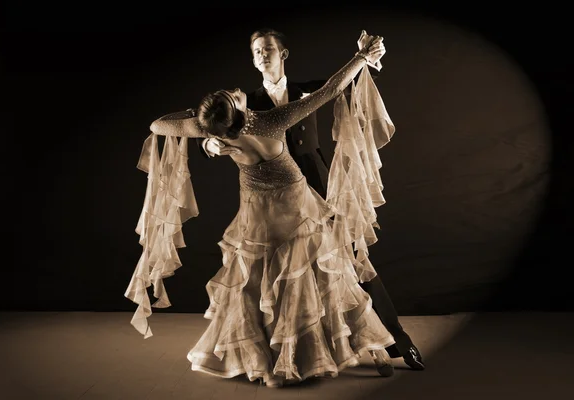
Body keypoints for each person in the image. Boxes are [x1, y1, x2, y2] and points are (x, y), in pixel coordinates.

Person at [126, 31, 395, 388]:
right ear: (238, 109)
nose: (236, 89)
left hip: (257, 216)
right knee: (330, 275)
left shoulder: (222, 131)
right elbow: (330, 89)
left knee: (258, 286)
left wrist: (202, 125)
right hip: (296, 209)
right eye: (233, 96)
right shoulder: (270, 121)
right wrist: (360, 58)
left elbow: (157, 124)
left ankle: (274, 357)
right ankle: (368, 346)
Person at [197, 28, 424, 370]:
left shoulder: (305, 89)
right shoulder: (244, 102)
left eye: (268, 48)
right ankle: (296, 352)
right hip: (277, 199)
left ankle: (395, 342)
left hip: (319, 184)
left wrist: (367, 57)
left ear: (283, 53)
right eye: (256, 50)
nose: (262, 55)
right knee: (283, 274)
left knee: (350, 257)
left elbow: (341, 83)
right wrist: (210, 144)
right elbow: (212, 126)